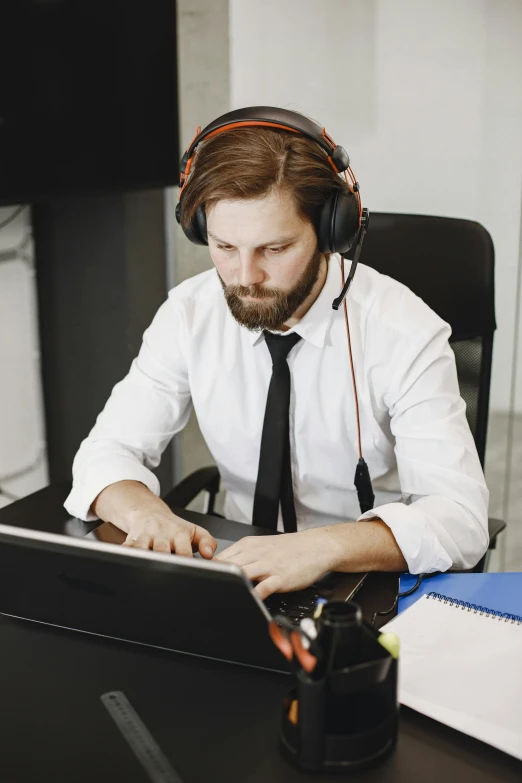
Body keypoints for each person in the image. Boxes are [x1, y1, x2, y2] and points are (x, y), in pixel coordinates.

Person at [64, 108, 489, 600]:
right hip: (237, 571)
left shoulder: (404, 332)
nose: (245, 277)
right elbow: (105, 452)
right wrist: (147, 514)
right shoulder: (189, 313)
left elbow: (460, 520)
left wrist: (320, 547)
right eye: (225, 246)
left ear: (332, 232)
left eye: (275, 248)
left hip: (364, 583)